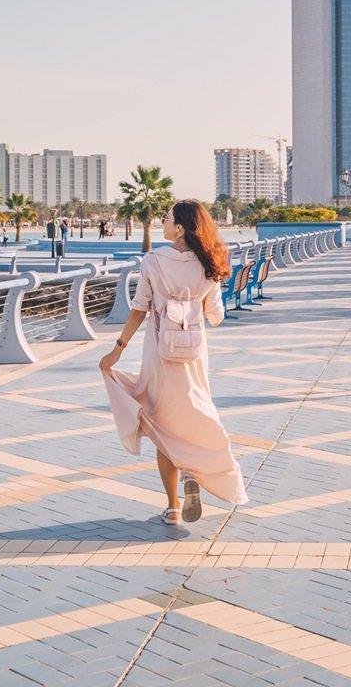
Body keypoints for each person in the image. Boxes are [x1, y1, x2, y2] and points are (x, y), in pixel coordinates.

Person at [99, 199, 247, 524]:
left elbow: (138, 308)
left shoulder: (152, 261)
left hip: (159, 356)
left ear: (179, 228)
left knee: (162, 426)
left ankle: (173, 507)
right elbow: (216, 317)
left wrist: (118, 349)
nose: (162, 222)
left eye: (166, 218)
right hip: (193, 356)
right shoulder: (209, 263)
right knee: (192, 417)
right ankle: (192, 475)